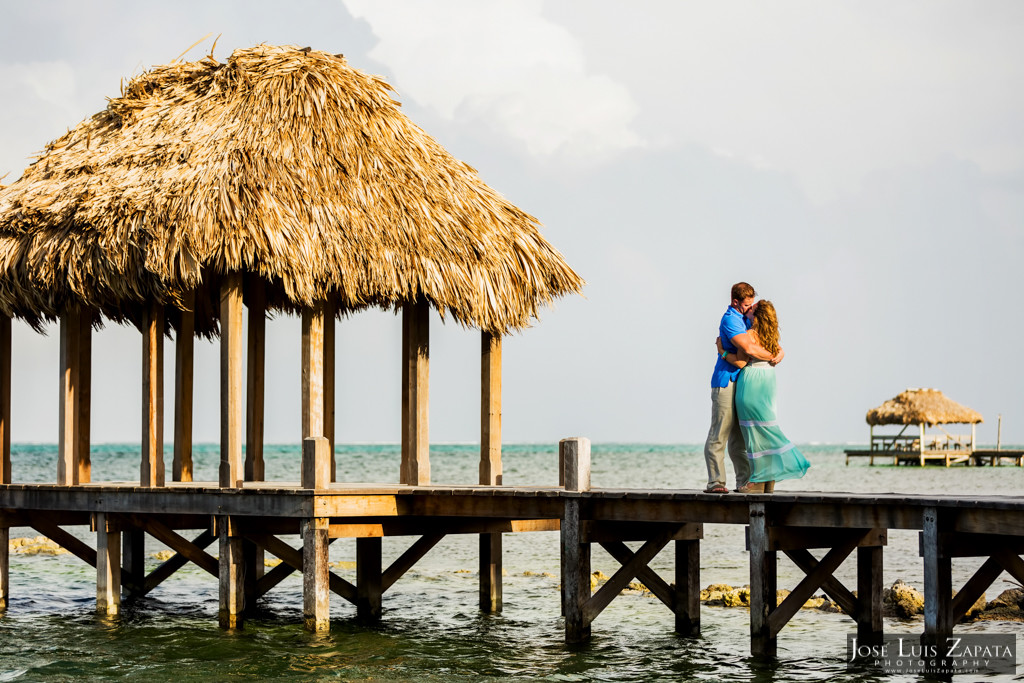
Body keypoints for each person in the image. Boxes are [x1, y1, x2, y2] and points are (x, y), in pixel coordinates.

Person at [717, 300, 810, 492]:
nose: (748, 310)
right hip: (768, 380)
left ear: (756, 316)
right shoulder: (771, 337)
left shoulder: (750, 335)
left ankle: (757, 482)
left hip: (752, 382)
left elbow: (741, 362)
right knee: (765, 426)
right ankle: (769, 479)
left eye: (752, 309)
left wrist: (723, 352)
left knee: (753, 431)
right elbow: (776, 352)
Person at [703, 282, 781, 494]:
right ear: (735, 302)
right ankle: (716, 482)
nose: (750, 307)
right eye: (746, 305)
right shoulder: (731, 320)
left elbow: (763, 341)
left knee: (740, 440)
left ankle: (746, 483)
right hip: (726, 381)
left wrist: (779, 352)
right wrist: (771, 356)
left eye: (751, 304)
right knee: (719, 434)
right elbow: (746, 351)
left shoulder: (747, 319)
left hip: (744, 384)